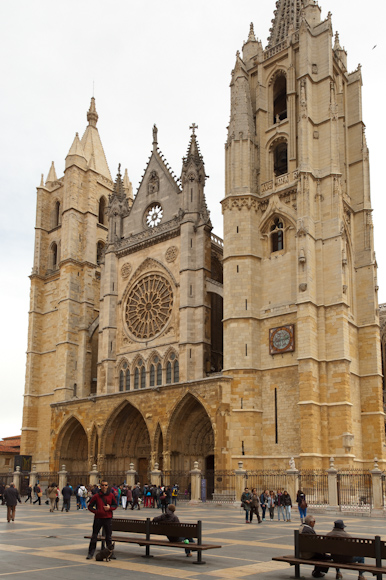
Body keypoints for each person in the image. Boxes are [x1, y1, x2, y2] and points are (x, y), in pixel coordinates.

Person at [86, 480, 117, 560]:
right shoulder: (96, 496)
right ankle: (90, 553)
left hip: (108, 518)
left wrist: (110, 508)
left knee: (108, 537)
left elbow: (115, 505)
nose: (104, 487)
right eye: (102, 485)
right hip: (98, 518)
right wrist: (96, 512)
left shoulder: (111, 495)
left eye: (105, 485)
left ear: (107, 486)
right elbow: (90, 506)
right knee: (94, 536)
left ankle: (110, 553)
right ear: (100, 486)